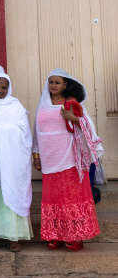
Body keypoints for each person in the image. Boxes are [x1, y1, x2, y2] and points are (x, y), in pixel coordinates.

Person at [33, 69, 102, 251]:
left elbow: (88, 125)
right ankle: (55, 235)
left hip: (70, 158)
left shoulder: (71, 102)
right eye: (51, 82)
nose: (53, 86)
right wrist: (36, 154)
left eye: (57, 82)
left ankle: (76, 236)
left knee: (70, 197)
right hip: (49, 159)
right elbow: (36, 131)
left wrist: (74, 119)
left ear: (65, 85)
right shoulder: (44, 103)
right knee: (53, 198)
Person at [0, 74, 32, 251]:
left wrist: (5, 131)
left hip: (11, 161)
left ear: (8, 88)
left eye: (3, 87)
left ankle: (12, 238)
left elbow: (25, 135)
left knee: (10, 194)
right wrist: (4, 131)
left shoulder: (16, 107)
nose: (0, 91)